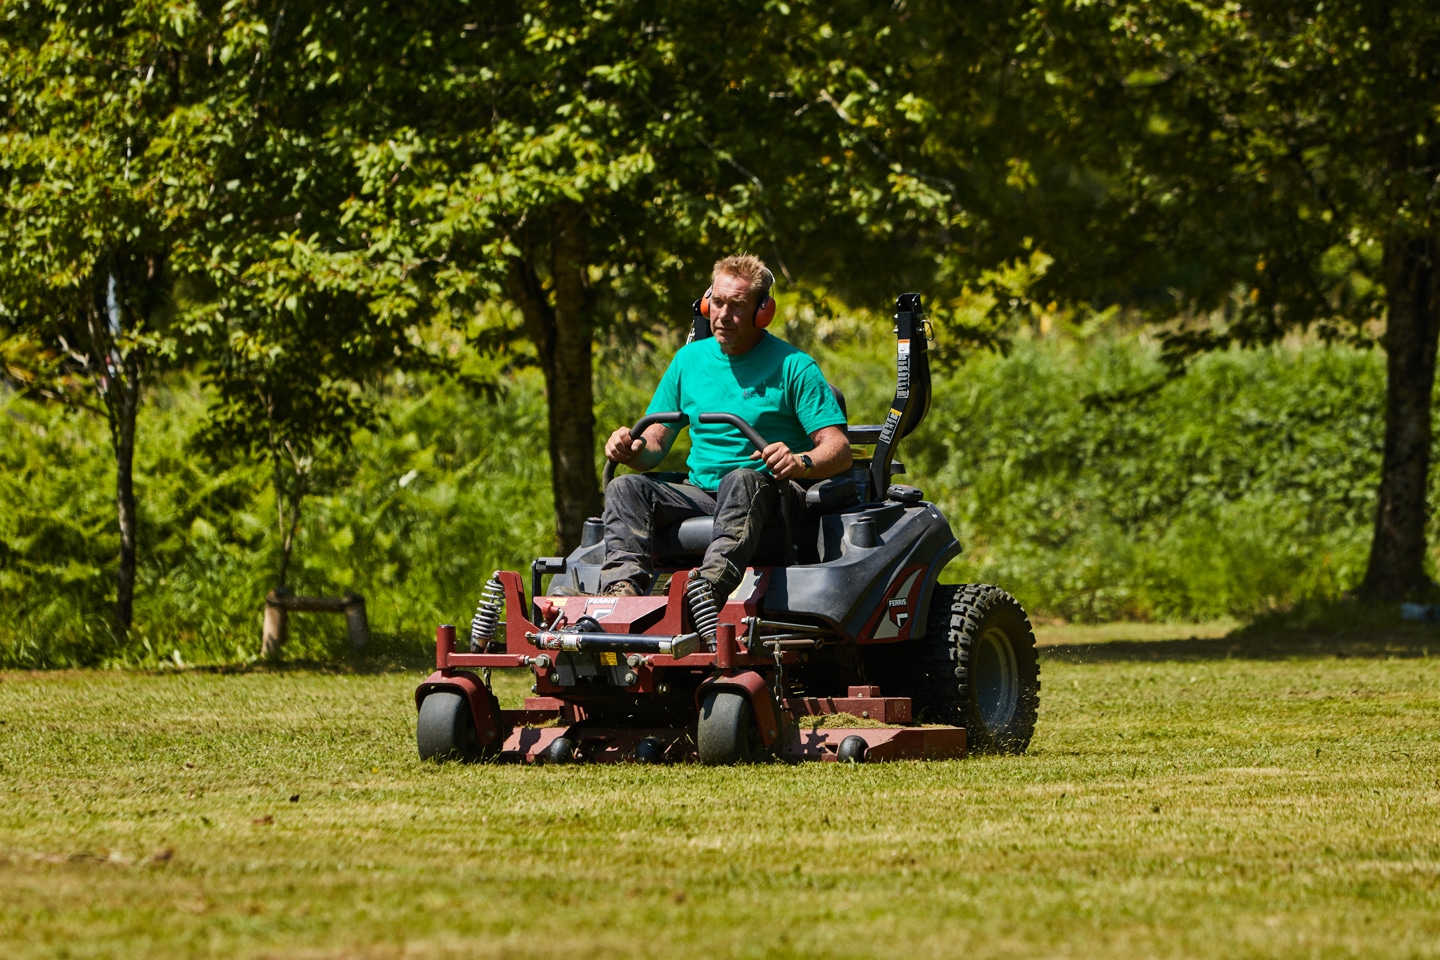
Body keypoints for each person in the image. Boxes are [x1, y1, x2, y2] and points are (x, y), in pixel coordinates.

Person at [600, 254, 853, 638]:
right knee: (624, 488)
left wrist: (799, 461)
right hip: (703, 492)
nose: (722, 315)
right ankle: (623, 594)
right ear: (706, 303)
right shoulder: (688, 361)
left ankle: (707, 587)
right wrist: (630, 450)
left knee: (743, 478)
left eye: (737, 306)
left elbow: (838, 449)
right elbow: (654, 443)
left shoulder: (794, 366)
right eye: (717, 303)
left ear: (762, 312)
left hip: (773, 493)